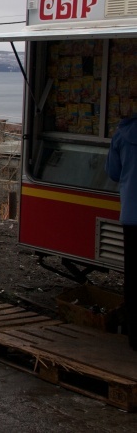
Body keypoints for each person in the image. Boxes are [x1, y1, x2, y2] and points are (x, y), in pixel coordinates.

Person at [105, 113, 137, 351]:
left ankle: (134, 336)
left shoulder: (123, 134)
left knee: (133, 277)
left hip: (132, 214)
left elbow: (114, 172)